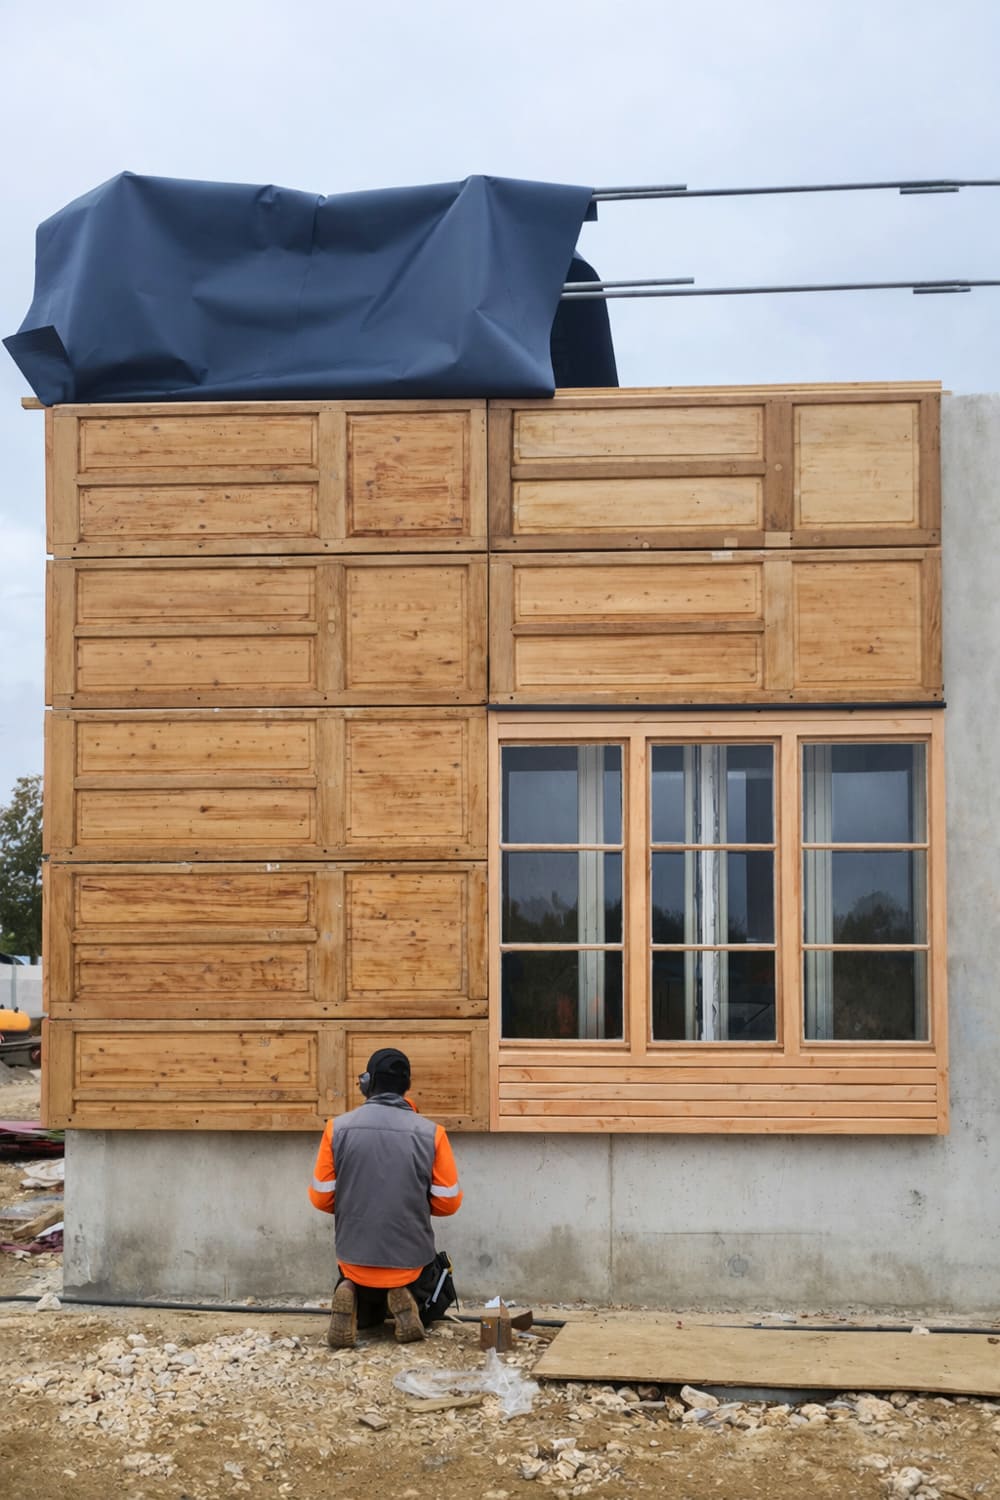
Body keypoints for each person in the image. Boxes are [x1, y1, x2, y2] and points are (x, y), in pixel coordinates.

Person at [308, 1046, 462, 1348]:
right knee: (433, 1295)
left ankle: (351, 1292)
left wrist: (353, 1202)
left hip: (354, 1259)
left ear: (368, 1084)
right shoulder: (432, 1133)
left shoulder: (336, 1129)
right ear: (406, 1087)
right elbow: (449, 1202)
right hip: (409, 1262)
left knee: (364, 1298)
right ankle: (407, 1296)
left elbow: (321, 1198)